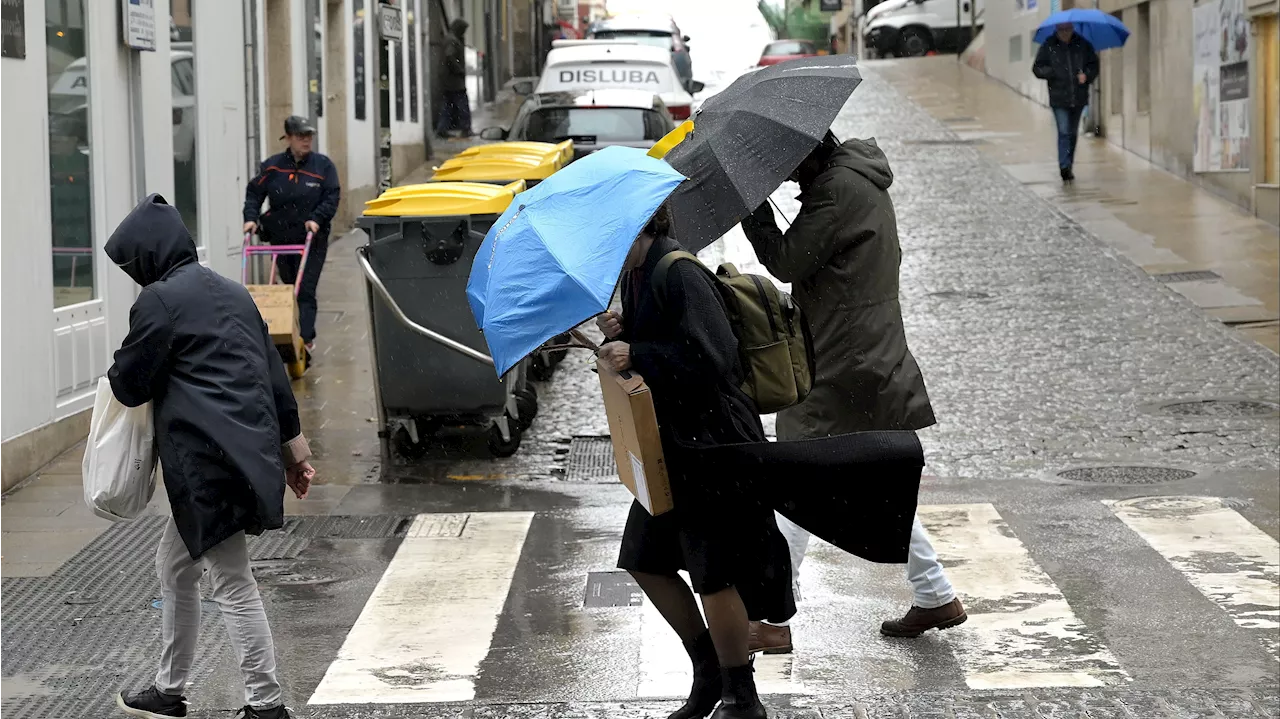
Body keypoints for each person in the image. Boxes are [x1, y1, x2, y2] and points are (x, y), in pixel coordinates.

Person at [740, 133, 965, 653]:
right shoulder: (849, 180)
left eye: (789, 166)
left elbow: (787, 262)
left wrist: (755, 213)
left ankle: (771, 618)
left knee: (795, 473)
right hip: (860, 350)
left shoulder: (838, 189)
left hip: (844, 359)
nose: (789, 177)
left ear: (809, 153)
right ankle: (934, 593)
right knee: (875, 482)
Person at [109, 194, 314, 719]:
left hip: (207, 462)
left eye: (133, 265)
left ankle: (266, 705)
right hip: (248, 452)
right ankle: (169, 688)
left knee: (230, 580)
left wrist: (116, 374)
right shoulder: (232, 292)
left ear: (148, 256)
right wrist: (295, 454)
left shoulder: (158, 301)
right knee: (175, 568)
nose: (135, 277)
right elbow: (274, 376)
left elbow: (132, 385)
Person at [596, 205, 794, 719]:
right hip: (672, 447)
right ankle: (708, 672)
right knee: (645, 560)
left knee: (714, 572)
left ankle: (740, 696)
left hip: (712, 444)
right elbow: (662, 341)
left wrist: (638, 351)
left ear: (641, 226)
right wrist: (624, 331)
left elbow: (714, 358)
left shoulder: (680, 271)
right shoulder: (637, 273)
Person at [243, 115, 341, 356]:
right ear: (288, 138)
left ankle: (305, 340)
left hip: (311, 238)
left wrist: (316, 219)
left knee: (305, 289)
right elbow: (255, 192)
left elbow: (332, 196)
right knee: (286, 289)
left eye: (309, 136)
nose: (306, 141)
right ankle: (281, 331)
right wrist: (251, 218)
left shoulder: (323, 166)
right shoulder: (273, 166)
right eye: (300, 137)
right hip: (280, 236)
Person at [1032, 23, 1099, 183]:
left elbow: (1094, 65)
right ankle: (1064, 166)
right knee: (1064, 131)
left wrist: (1087, 76)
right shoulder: (1049, 45)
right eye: (1062, 30)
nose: (1065, 33)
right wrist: (1053, 73)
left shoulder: (1083, 44)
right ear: (1057, 30)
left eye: (1068, 29)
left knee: (1073, 133)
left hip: (1078, 96)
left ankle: (1069, 163)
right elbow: (1037, 68)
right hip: (1058, 97)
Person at [435, 19, 472, 138]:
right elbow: (449, 56)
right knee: (462, 105)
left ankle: (442, 128)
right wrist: (459, 69)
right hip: (454, 81)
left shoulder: (449, 38)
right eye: (463, 30)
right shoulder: (452, 40)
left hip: (447, 81)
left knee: (447, 106)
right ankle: (466, 128)